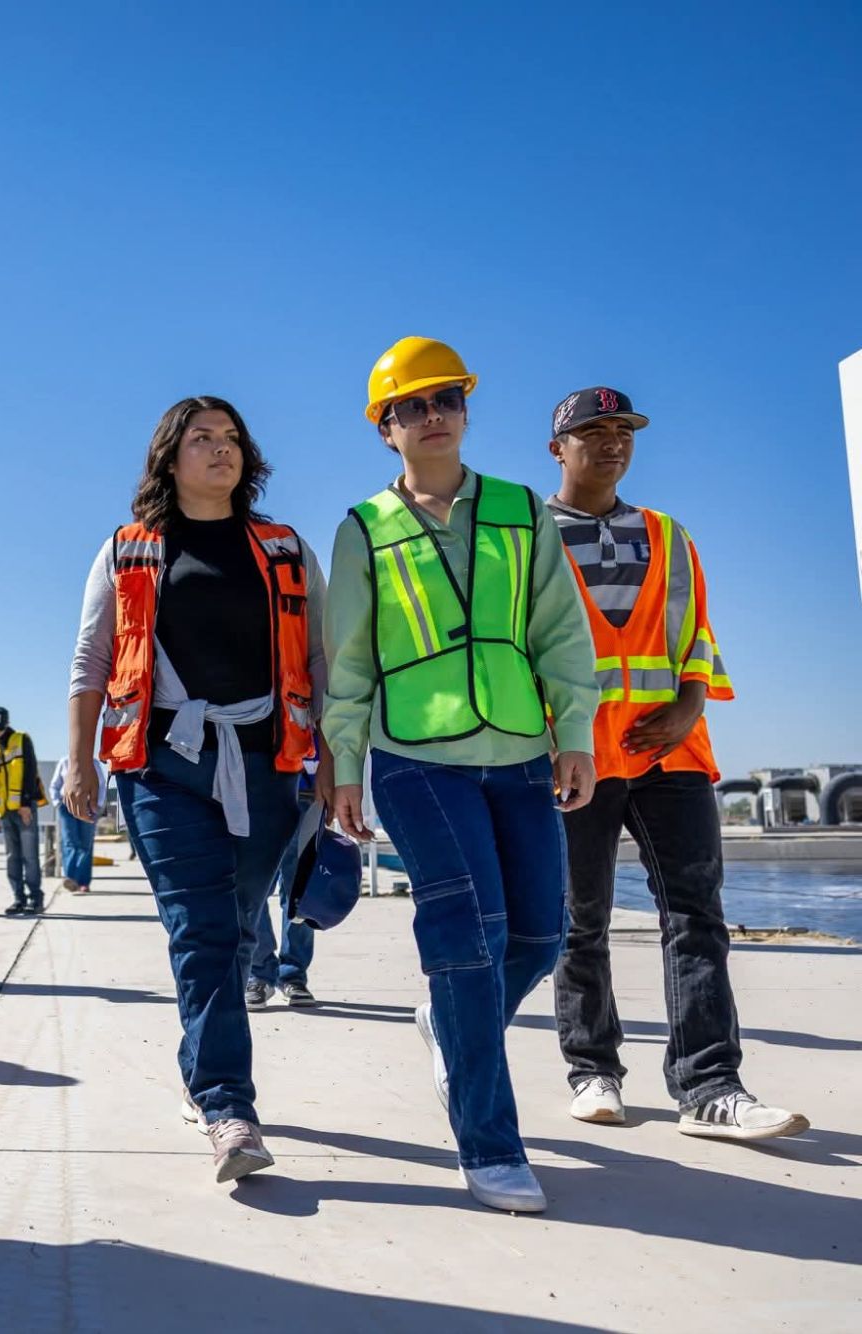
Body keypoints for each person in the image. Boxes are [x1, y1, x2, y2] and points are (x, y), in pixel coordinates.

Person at [325, 338, 599, 1215]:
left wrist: (576, 731)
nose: (433, 414)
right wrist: (343, 768)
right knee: (467, 940)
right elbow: (348, 664)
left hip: (519, 750)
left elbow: (559, 629)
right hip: (415, 761)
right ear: (386, 428)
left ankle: (450, 1022)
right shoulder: (363, 530)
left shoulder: (522, 511)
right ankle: (490, 1145)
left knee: (541, 937)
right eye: (412, 405)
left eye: (447, 398)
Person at [66, 395, 328, 1185]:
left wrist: (337, 762)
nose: (220, 451)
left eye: (232, 440)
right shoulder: (127, 549)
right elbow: (90, 660)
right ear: (168, 458)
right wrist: (80, 762)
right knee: (204, 931)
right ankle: (227, 1107)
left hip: (268, 762)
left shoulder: (283, 548)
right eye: (202, 440)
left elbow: (321, 659)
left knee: (241, 920)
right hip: (161, 766)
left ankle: (197, 1064)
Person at [545, 387, 808, 1141]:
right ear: (557, 448)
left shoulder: (668, 533)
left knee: (696, 915)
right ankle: (593, 1069)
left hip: (673, 751)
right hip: (578, 753)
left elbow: (696, 632)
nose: (612, 442)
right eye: (592, 432)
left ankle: (710, 1085)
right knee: (579, 919)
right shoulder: (528, 536)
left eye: (623, 430)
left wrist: (692, 703)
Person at [245, 767, 319, 1008]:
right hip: (250, 786)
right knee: (252, 888)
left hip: (304, 786)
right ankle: (259, 972)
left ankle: (293, 974)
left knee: (300, 891)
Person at [0, 706, 48, 915]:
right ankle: (18, 899)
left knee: (29, 856)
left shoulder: (22, 740)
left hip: (23, 809)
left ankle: (35, 898)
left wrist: (25, 803)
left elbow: (30, 771)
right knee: (12, 857)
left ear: (6, 724)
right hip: (4, 812)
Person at [51, 755, 108, 893]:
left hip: (88, 806)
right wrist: (57, 803)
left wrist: (98, 805)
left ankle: (83, 882)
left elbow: (101, 785)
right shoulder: (64, 762)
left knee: (85, 844)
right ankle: (70, 878)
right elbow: (54, 785)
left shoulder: (94, 763)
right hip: (66, 807)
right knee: (70, 842)